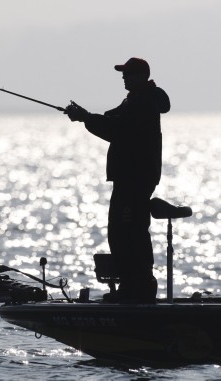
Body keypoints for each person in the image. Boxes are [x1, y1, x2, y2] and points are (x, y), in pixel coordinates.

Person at [65, 57, 171, 303]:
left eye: (128, 74)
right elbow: (112, 119)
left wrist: (85, 117)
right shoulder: (137, 100)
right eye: (124, 73)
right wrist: (85, 116)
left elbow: (116, 128)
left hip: (135, 177)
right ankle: (133, 287)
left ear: (141, 76)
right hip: (131, 177)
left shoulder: (143, 101)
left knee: (127, 233)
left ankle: (137, 289)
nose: (124, 77)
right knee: (125, 232)